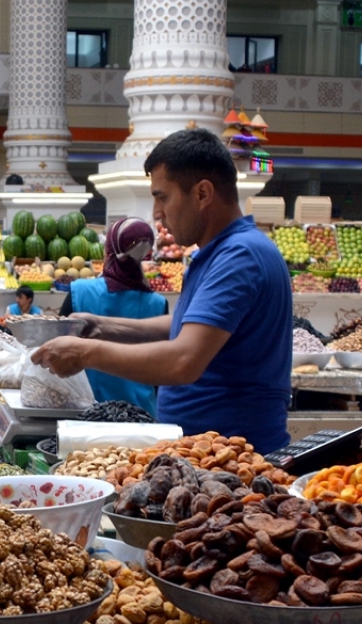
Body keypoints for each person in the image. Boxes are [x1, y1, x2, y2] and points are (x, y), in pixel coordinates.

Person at [31, 128, 292, 452]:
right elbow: (191, 326)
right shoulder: (221, 251)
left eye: (162, 197)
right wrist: (103, 326)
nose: (157, 214)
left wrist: (86, 353)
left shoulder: (239, 257)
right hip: (205, 452)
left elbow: (184, 360)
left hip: (235, 462)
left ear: (202, 193)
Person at [57, 217, 169, 417]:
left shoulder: (79, 292)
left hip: (86, 414)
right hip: (141, 416)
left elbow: (58, 350)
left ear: (108, 249)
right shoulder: (158, 304)